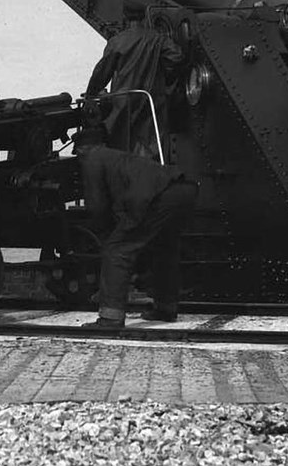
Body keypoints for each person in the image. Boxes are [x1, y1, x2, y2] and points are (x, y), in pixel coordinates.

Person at [72, 122, 197, 329]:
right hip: (183, 190)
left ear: (81, 149)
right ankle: (166, 307)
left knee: (117, 251)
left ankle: (111, 317)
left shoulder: (92, 158)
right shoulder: (116, 156)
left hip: (157, 197)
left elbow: (97, 206)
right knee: (164, 250)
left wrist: (100, 233)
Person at [84, 0, 185, 159]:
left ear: (125, 16)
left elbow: (101, 73)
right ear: (145, 16)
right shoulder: (157, 39)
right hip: (151, 102)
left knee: (122, 148)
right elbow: (176, 57)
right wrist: (165, 78)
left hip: (122, 104)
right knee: (152, 149)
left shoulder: (117, 42)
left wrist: (90, 95)